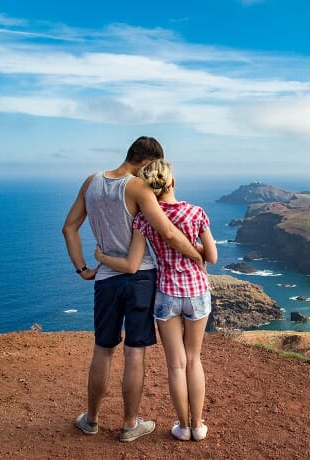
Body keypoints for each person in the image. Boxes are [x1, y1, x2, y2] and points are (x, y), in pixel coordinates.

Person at [62, 136, 204, 443]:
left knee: (103, 349)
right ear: (148, 162)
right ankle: (129, 425)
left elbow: (69, 227)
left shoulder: (91, 182)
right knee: (134, 353)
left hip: (106, 278)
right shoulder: (137, 187)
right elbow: (167, 232)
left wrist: (83, 268)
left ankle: (91, 419)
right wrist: (197, 255)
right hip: (141, 279)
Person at [95, 159, 217, 442]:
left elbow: (132, 264)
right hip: (197, 292)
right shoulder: (196, 212)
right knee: (193, 360)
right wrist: (195, 247)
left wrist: (101, 258)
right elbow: (211, 257)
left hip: (167, 295)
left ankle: (183, 426)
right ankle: (198, 426)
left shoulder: (144, 219)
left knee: (176, 364)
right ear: (172, 182)